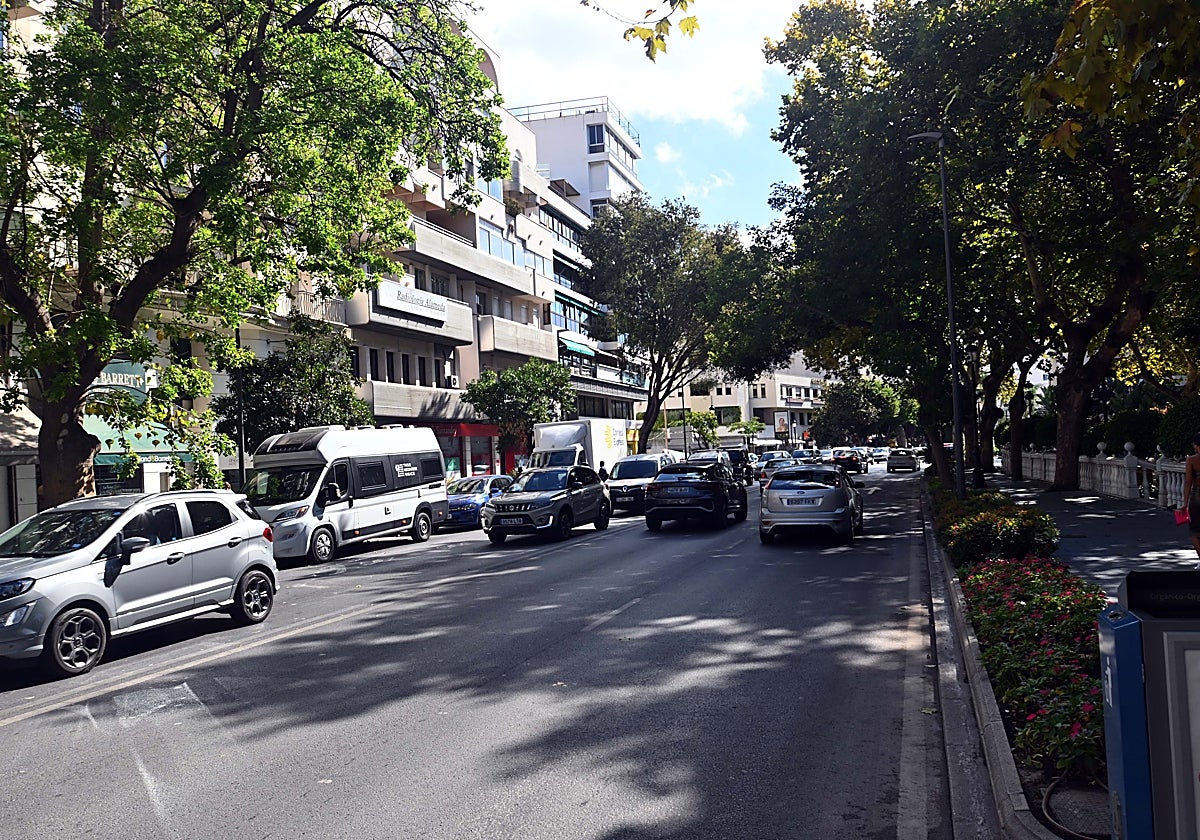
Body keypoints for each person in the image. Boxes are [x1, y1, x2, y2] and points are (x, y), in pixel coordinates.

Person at [1184, 433, 1200, 562]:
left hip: (1197, 497)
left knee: (1195, 532)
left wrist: (1184, 503)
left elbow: (1188, 481)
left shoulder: (1191, 460)